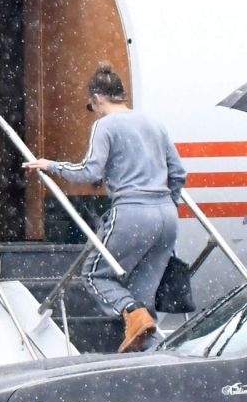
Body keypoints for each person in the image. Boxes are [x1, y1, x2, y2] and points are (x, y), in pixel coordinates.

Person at [23, 62, 187, 353]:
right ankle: (154, 353)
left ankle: (133, 314)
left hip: (132, 212)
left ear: (97, 98)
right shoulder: (154, 123)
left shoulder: (105, 125)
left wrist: (51, 166)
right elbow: (178, 173)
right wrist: (167, 202)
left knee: (94, 274)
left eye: (90, 105)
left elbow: (90, 171)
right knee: (143, 296)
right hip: (167, 215)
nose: (93, 111)